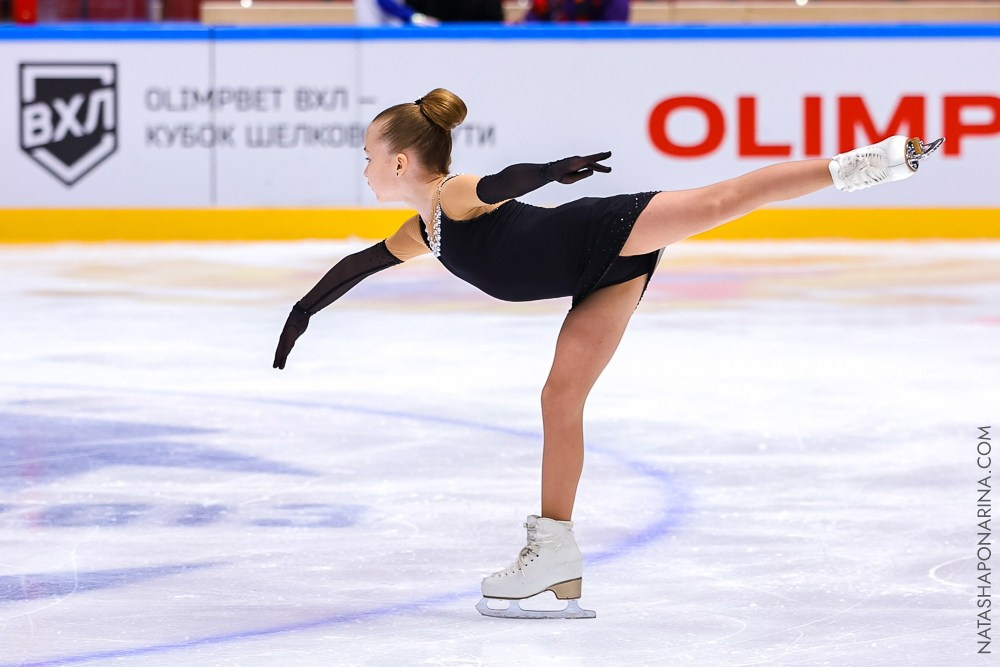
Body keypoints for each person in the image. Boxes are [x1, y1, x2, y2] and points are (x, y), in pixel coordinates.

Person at [272, 88, 943, 619]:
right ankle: (554, 552)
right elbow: (362, 261)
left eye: (366, 155)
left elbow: (500, 183)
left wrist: (550, 171)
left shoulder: (451, 195)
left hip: (606, 227)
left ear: (398, 161)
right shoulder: (424, 229)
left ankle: (873, 162)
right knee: (559, 398)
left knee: (723, 198)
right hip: (600, 277)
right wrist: (304, 309)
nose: (362, 168)